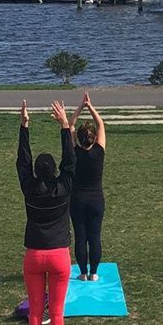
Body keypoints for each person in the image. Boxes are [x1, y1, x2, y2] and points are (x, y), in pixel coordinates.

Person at [17, 99, 75, 325]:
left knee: (36, 312)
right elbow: (70, 161)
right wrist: (65, 126)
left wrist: (24, 126)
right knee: (58, 311)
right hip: (59, 255)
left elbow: (22, 162)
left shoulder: (30, 188)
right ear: (53, 172)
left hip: (34, 256)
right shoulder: (63, 187)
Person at [70, 92, 106, 281]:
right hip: (96, 199)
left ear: (81, 139)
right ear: (93, 139)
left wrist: (79, 108)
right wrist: (90, 106)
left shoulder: (74, 152)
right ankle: (93, 273)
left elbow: (70, 126)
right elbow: (100, 124)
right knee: (95, 236)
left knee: (80, 237)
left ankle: (83, 273)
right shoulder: (99, 151)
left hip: (77, 200)